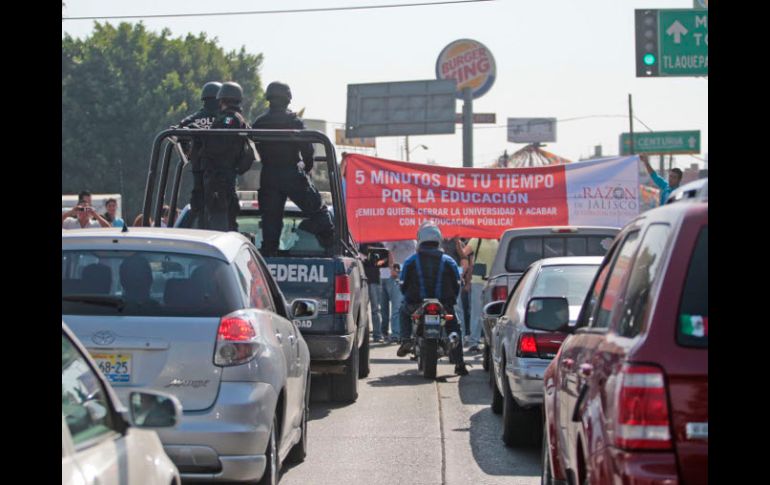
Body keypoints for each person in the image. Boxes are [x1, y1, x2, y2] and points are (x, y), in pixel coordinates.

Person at [252, 81, 334, 257]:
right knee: (320, 214)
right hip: (292, 174)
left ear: (268, 98)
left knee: (270, 222)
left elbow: (257, 147)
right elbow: (308, 151)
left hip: (269, 176)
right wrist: (306, 169)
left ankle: (269, 257)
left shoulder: (259, 122)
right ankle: (330, 248)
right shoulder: (294, 121)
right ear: (288, 99)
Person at [397, 222, 468, 376]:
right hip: (444, 305)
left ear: (420, 239)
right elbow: (457, 284)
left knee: (402, 311)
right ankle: (460, 364)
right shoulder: (449, 261)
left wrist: (408, 297)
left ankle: (405, 340)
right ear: (438, 239)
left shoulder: (411, 261)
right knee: (455, 328)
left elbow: (403, 284)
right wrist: (450, 302)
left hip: (415, 305)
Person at [199, 81, 250, 232]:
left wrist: (202, 141)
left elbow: (218, 147)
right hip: (226, 177)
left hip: (219, 179)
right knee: (228, 222)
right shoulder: (237, 119)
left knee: (218, 225)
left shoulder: (228, 120)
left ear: (221, 100)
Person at [177, 81, 222, 228]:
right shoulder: (229, 121)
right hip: (223, 173)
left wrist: (188, 153)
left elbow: (179, 132)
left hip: (199, 172)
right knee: (224, 208)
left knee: (200, 206)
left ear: (204, 99)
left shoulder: (192, 120)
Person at [461, 237, 500, 352]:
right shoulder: (480, 240)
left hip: (489, 280)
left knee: (484, 313)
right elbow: (464, 254)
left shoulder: (492, 240)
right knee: (482, 312)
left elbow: (463, 254)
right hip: (483, 280)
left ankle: (480, 340)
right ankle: (477, 340)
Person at [380, 239, 416, 343]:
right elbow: (389, 251)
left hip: (410, 274)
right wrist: (392, 268)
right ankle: (396, 334)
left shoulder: (413, 240)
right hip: (398, 273)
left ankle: (409, 333)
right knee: (397, 306)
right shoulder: (394, 238)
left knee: (409, 305)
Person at [441, 237, 468, 343]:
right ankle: (442, 337)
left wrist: (461, 274)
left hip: (453, 279)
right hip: (439, 279)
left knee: (457, 308)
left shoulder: (458, 242)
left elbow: (464, 258)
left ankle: (460, 338)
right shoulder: (437, 241)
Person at [360, 242, 386, 343]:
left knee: (375, 309)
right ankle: (363, 335)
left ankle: (377, 335)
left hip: (375, 280)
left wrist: (381, 261)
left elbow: (386, 257)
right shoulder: (361, 244)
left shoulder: (378, 244)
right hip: (363, 280)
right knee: (362, 309)